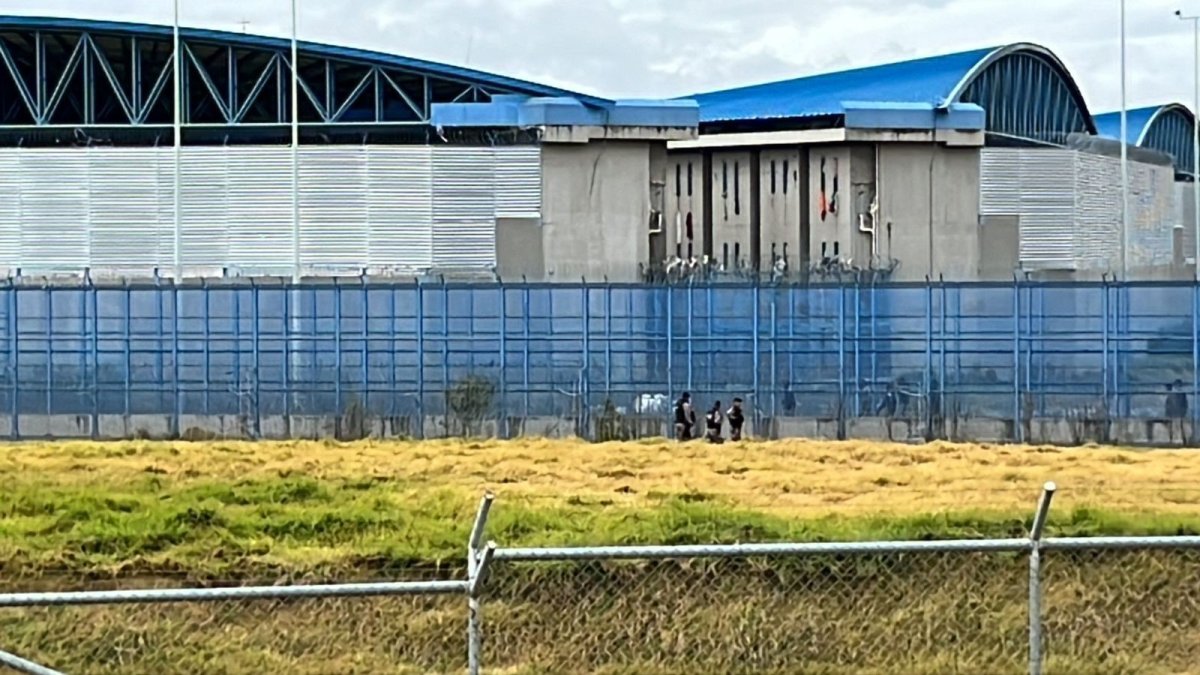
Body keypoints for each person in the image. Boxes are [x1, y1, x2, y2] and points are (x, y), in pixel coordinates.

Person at [1166, 380, 1188, 444]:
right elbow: (1168, 404)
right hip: (1174, 413)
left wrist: (1183, 412)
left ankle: (1179, 439)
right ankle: (1172, 439)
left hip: (1178, 413)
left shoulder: (1181, 394)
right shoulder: (1173, 394)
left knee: (1179, 426)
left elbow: (1185, 404)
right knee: (1174, 426)